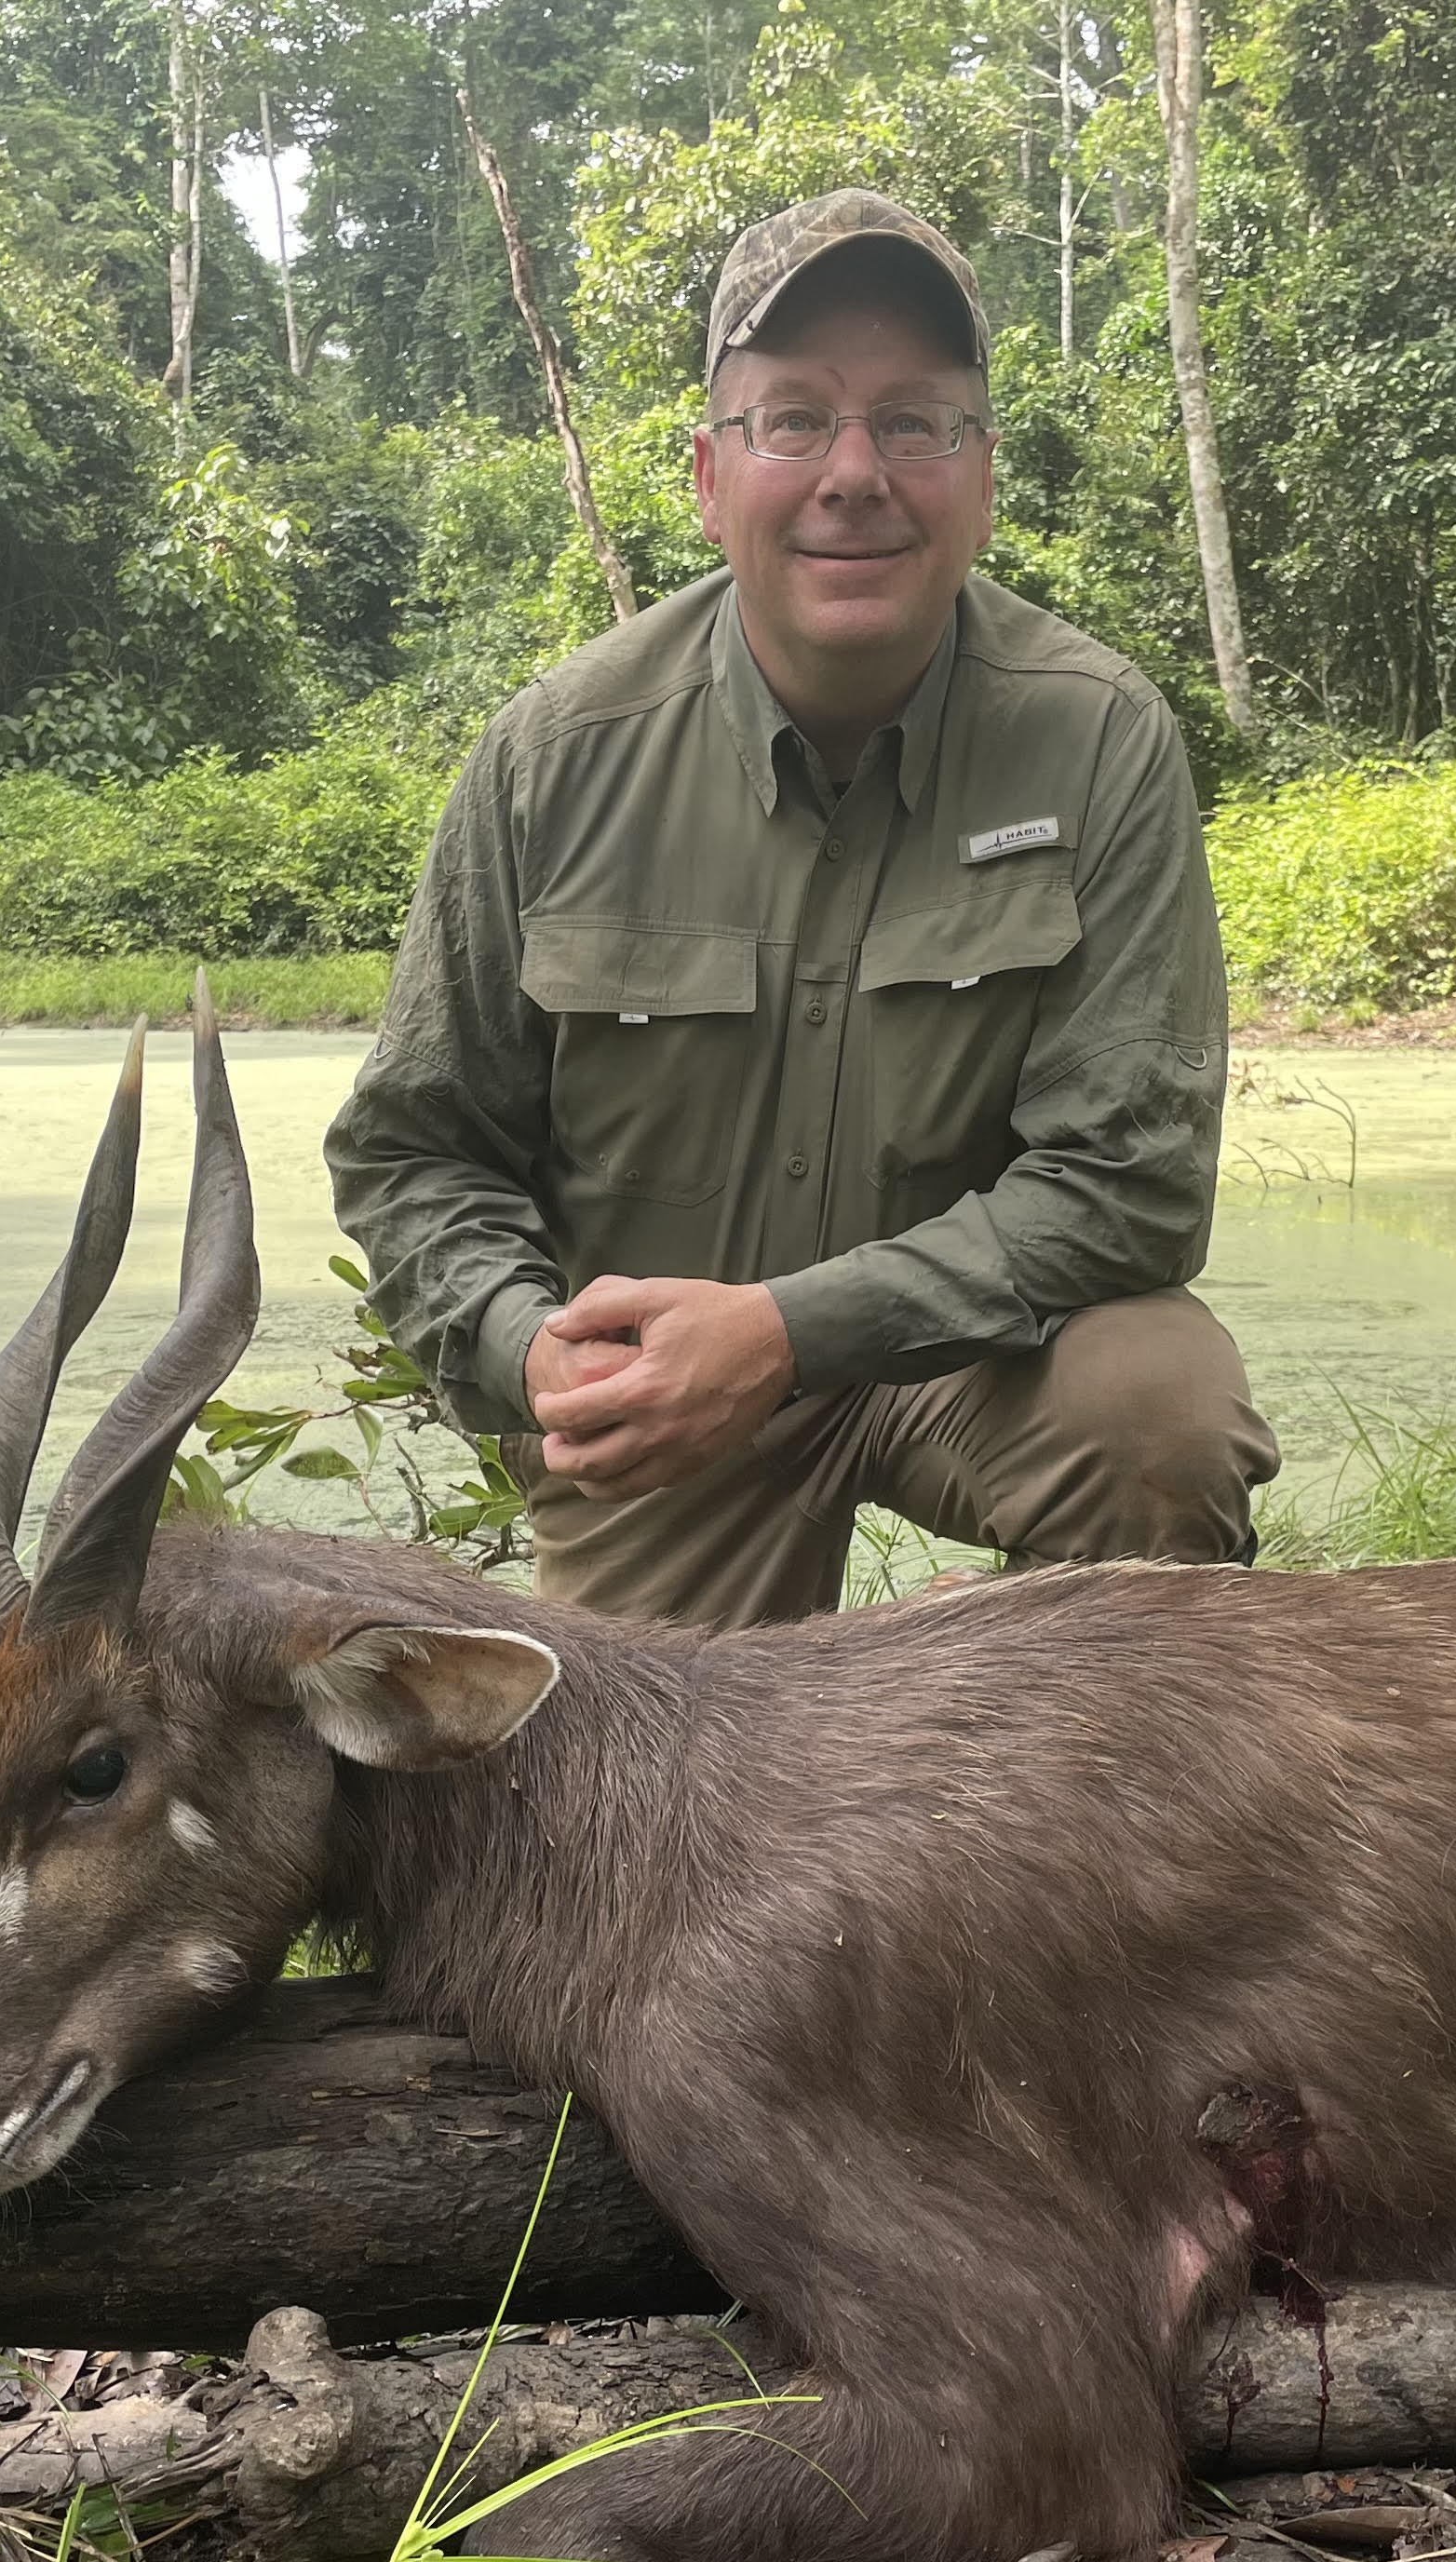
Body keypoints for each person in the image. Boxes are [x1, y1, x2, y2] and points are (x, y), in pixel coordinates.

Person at [326, 189, 1276, 1629]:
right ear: (711, 477)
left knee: (1158, 1410)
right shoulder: (552, 757)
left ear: (982, 475)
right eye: (792, 420)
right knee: (625, 1829)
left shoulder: (1096, 737)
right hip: (652, 1404)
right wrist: (533, 1356)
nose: (854, 473)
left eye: (913, 422)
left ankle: (1078, 1787)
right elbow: (414, 1154)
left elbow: (1128, 1182)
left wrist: (782, 1332)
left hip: (964, 1363)